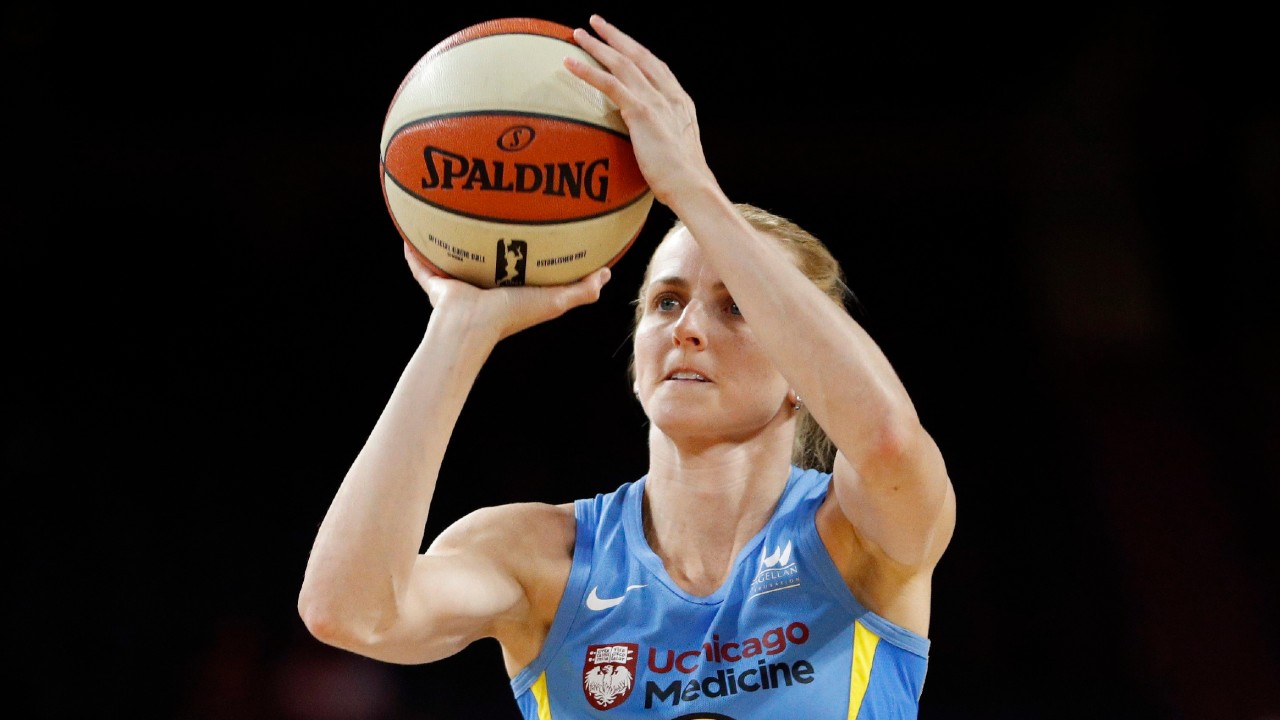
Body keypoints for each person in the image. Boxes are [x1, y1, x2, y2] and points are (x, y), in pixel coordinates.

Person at [299, 14, 956, 719]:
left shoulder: (858, 536)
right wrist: (457, 329)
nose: (688, 328)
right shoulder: (544, 558)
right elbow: (349, 611)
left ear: (802, 366)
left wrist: (693, 190)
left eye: (736, 308)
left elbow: (886, 436)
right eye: (666, 301)